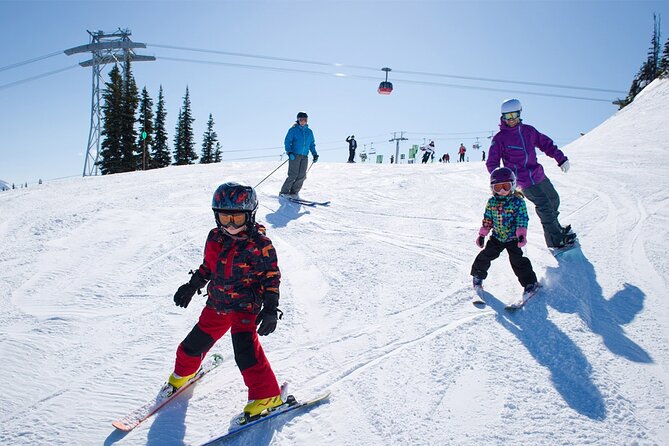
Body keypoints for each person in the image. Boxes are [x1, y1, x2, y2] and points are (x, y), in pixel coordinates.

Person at [166, 182, 284, 420]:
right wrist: (192, 286)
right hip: (217, 305)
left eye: (237, 218)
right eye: (224, 217)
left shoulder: (260, 245)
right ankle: (183, 374)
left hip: (244, 308)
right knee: (192, 345)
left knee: (246, 353)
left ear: (250, 216)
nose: (230, 225)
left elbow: (271, 277)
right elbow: (208, 267)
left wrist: (271, 308)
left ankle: (266, 396)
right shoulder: (214, 237)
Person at [486, 98, 575, 248]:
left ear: (520, 113)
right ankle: (555, 239)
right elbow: (492, 163)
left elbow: (546, 144)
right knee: (544, 205)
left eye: (514, 115)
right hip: (522, 181)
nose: (511, 119)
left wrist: (561, 158)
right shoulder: (500, 138)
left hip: (538, 174)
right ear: (502, 117)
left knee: (553, 199)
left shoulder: (529, 131)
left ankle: (556, 229)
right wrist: (501, 181)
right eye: (507, 117)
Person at [471, 167, 539, 295]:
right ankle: (477, 277)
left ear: (512, 185)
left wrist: (521, 235)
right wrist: (482, 235)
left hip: (513, 238)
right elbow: (488, 219)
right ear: (492, 188)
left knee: (517, 261)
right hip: (497, 237)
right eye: (498, 187)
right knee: (485, 256)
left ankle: (530, 283)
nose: (502, 191)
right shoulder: (492, 202)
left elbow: (522, 219)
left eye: (505, 186)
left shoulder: (517, 202)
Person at [280, 112, 318, 198]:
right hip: (295, 155)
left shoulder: (309, 132)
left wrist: (315, 154)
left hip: (304, 156)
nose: (303, 122)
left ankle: (294, 193)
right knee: (293, 175)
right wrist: (289, 152)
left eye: (305, 120)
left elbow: (312, 144)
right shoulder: (293, 130)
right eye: (301, 120)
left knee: (302, 175)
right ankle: (284, 192)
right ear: (298, 120)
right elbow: (287, 141)